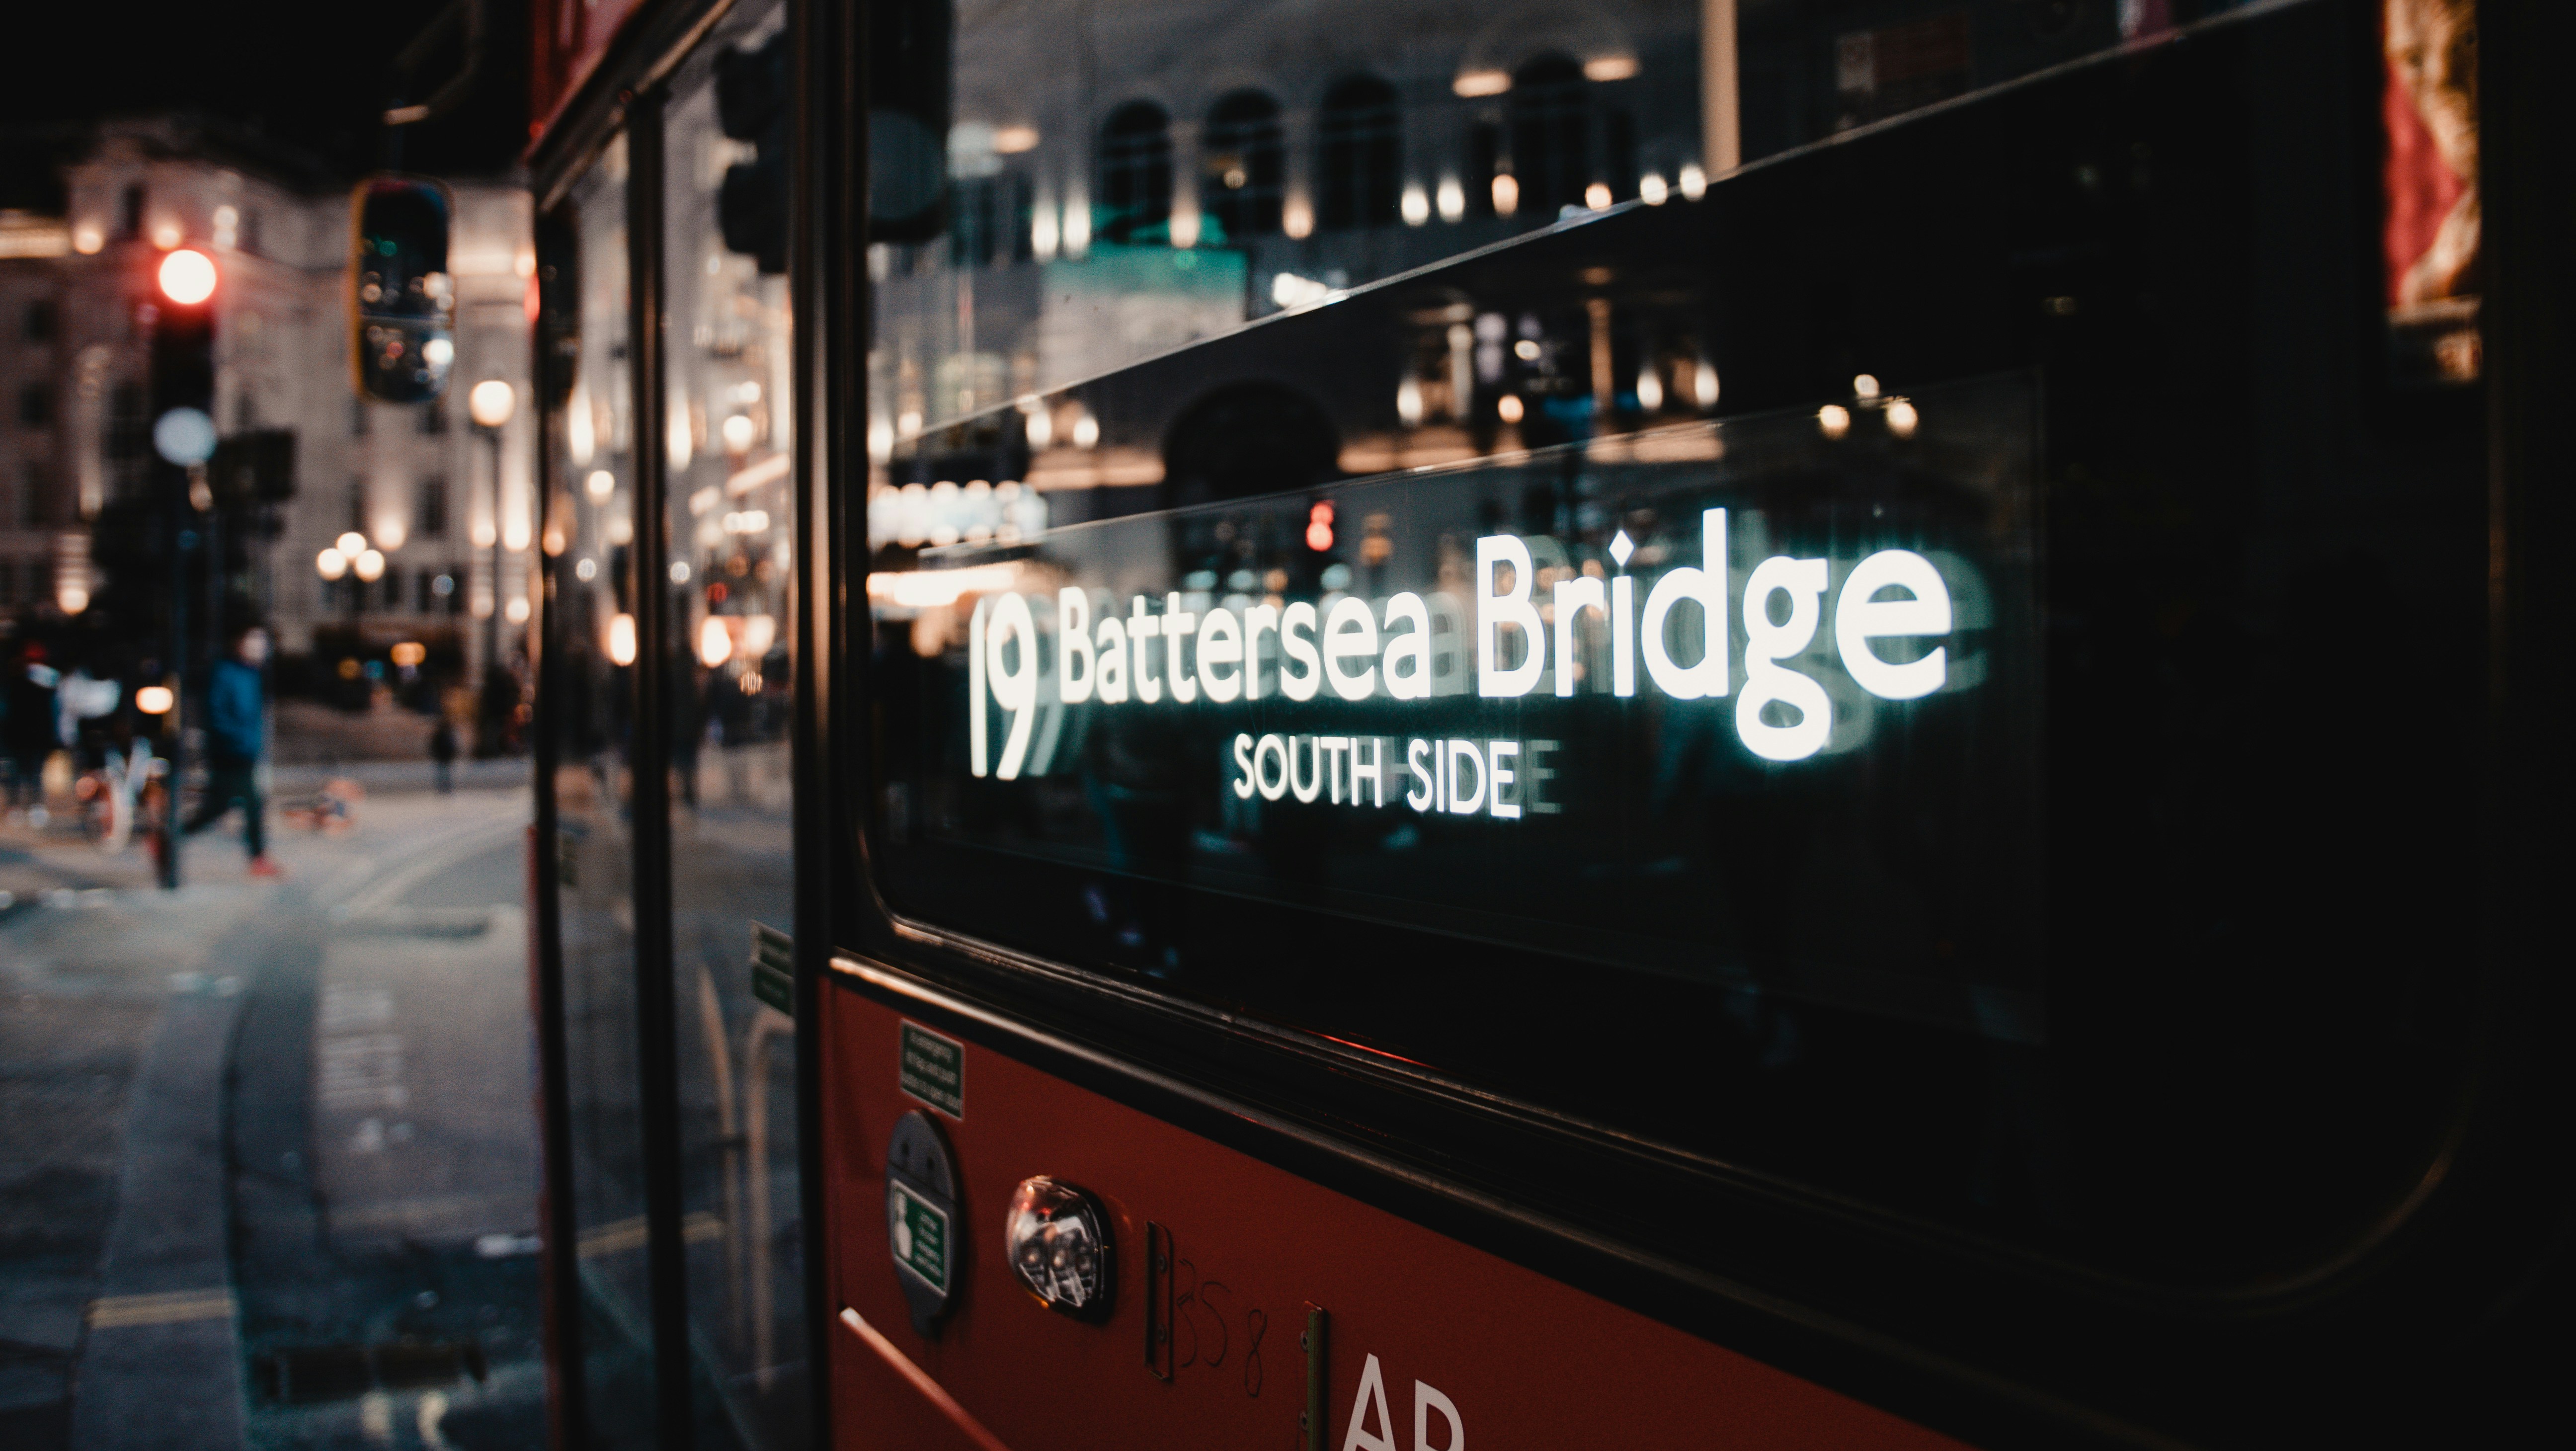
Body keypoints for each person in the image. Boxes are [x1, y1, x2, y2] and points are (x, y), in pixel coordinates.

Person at [183, 625, 281, 878]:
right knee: (251, 804)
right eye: (253, 641)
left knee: (219, 806)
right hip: (229, 751)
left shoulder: (253, 674)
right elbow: (216, 713)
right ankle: (258, 858)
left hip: (245, 750)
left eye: (262, 642)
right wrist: (234, 740)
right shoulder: (225, 672)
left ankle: (170, 838)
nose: (259, 648)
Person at [429, 715, 459, 795]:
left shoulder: (446, 735)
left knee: (445, 774)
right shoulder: (441, 735)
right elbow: (435, 746)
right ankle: (444, 788)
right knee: (444, 774)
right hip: (443, 757)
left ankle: (445, 788)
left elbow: (452, 746)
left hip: (445, 757)